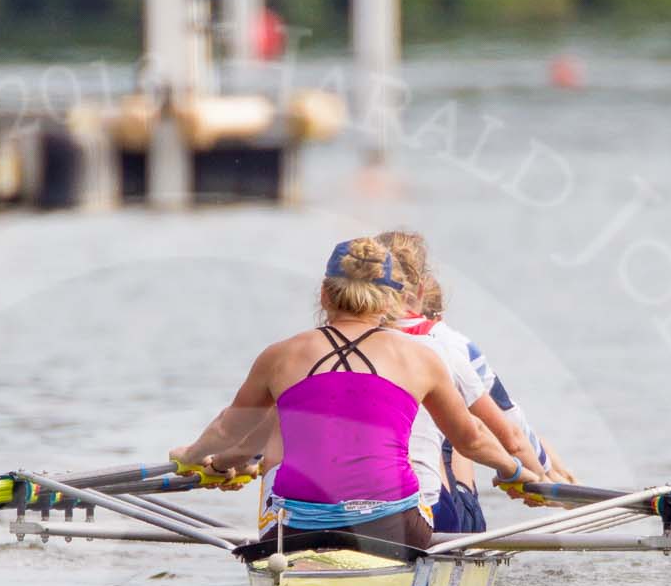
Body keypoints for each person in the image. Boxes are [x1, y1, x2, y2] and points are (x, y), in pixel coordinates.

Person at [171, 237, 535, 563]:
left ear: (325, 295)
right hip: (393, 528)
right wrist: (513, 471)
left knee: (281, 430)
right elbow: (470, 439)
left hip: (297, 532)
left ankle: (290, 573)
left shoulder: (280, 355)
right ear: (391, 299)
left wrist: (201, 462)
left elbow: (230, 428)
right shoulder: (421, 358)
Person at [376, 231, 577, 535]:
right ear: (420, 291)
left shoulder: (324, 344)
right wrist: (543, 484)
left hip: (337, 510)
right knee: (456, 421)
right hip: (425, 517)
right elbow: (511, 434)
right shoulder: (449, 345)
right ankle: (561, 480)